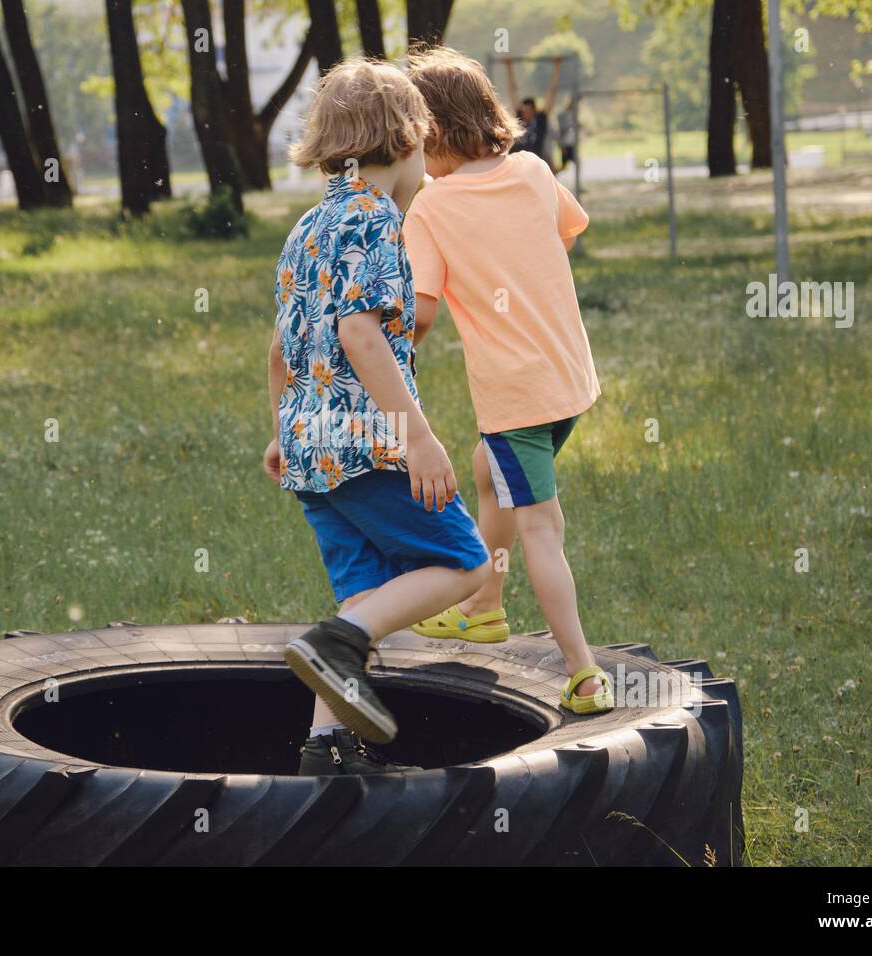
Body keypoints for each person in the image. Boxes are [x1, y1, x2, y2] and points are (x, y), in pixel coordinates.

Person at [264, 58, 491, 772]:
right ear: (409, 138)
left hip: (312, 452)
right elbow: (360, 335)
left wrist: (282, 430)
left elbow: (280, 348)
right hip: (366, 445)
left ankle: (327, 745)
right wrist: (418, 439)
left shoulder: (309, 224)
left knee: (365, 593)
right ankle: (337, 640)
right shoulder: (374, 218)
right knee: (465, 563)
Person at [402, 46, 613, 715]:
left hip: (516, 397)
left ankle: (582, 672)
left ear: (428, 135)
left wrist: (383, 348)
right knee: (488, 469)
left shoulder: (431, 211)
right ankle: (484, 605)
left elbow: (423, 311)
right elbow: (568, 230)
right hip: (569, 379)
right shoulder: (531, 169)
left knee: (541, 526)